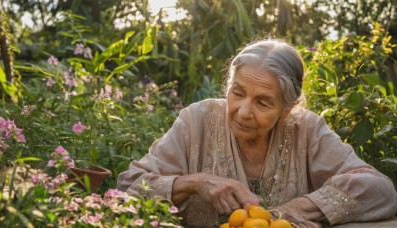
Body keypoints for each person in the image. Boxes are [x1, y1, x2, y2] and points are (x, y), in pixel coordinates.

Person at [117, 39, 397, 227]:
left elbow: (381, 191)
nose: (242, 111)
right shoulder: (197, 120)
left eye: (263, 102)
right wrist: (195, 182)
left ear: (287, 109)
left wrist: (293, 212)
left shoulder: (306, 129)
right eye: (237, 93)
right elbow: (129, 188)